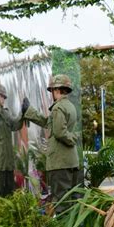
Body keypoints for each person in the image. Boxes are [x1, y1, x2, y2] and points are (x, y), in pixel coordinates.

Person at [22, 74, 79, 213]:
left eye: (52, 90)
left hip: (60, 162)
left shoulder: (58, 108)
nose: (52, 94)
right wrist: (30, 111)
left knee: (61, 200)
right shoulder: (69, 106)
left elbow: (59, 132)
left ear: (57, 90)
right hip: (70, 161)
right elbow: (49, 123)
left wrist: (73, 138)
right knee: (70, 198)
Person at [0, 83, 23, 197]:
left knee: (10, 191)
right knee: (0, 192)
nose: (3, 99)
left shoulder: (5, 112)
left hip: (8, 161)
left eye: (4, 97)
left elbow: (15, 125)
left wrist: (22, 113)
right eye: (1, 96)